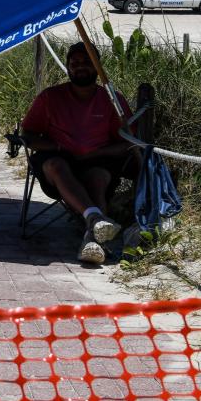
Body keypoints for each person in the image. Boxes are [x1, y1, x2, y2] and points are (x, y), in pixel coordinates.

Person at [21, 41, 134, 265]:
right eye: (74, 63)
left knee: (98, 177)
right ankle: (94, 218)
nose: (80, 67)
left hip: (96, 159)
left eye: (86, 62)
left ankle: (92, 241)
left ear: (98, 66)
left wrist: (93, 154)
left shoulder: (112, 100)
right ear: (68, 68)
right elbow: (29, 135)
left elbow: (127, 143)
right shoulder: (50, 97)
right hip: (58, 160)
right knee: (56, 166)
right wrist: (58, 147)